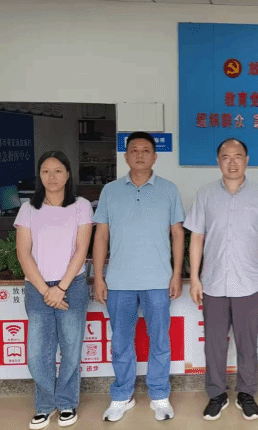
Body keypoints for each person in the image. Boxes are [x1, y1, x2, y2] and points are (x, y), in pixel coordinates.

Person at [92, 131, 185, 422]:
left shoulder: (169, 190)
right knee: (121, 341)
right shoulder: (110, 191)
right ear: (126, 156)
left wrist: (176, 274)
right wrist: (99, 277)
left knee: (160, 341)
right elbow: (101, 235)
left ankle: (159, 395)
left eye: (146, 150)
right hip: (119, 281)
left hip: (158, 280)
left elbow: (178, 234)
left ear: (155, 157)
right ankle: (122, 395)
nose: (140, 155)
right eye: (134, 150)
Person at [185, 138, 258, 421]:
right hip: (213, 283)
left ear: (247, 160)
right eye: (226, 157)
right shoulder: (205, 194)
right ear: (218, 161)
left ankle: (247, 393)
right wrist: (195, 278)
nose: (232, 162)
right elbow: (196, 237)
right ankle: (217, 394)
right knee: (214, 345)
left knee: (248, 344)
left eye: (238, 156)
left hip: (248, 283)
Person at [15, 151, 93, 429]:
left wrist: (60, 288)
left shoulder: (81, 206)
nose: (52, 176)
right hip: (37, 289)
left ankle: (67, 403)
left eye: (58, 170)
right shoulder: (28, 209)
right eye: (46, 171)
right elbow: (23, 253)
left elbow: (82, 250)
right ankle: (45, 405)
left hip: (72, 286)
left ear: (68, 174)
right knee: (38, 353)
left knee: (71, 349)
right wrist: (46, 290)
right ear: (39, 175)